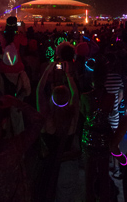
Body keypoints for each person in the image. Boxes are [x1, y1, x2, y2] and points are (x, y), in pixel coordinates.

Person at [35, 61, 80, 202]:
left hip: (49, 164)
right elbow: (76, 95)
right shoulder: (72, 117)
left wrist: (47, 70)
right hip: (67, 166)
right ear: (68, 99)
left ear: (52, 99)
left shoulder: (46, 118)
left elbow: (39, 92)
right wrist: (68, 75)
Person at [80, 59, 115, 202]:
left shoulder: (85, 97)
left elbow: (84, 115)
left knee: (89, 174)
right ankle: (104, 198)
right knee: (103, 173)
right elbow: (110, 113)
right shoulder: (111, 97)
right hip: (104, 136)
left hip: (89, 135)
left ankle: (90, 198)